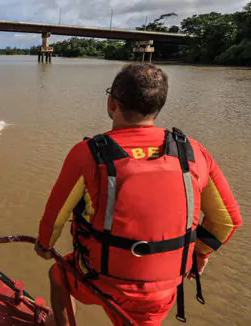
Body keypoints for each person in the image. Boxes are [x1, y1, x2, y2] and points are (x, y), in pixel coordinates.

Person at [34, 63, 242, 326]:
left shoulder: (86, 152)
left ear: (112, 103)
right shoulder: (193, 151)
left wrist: (44, 245)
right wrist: (199, 254)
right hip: (163, 289)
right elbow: (228, 221)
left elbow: (54, 218)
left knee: (58, 275)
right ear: (158, 106)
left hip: (101, 279)